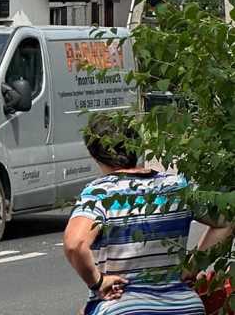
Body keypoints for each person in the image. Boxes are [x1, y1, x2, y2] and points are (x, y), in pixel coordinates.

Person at [63, 112, 231, 314]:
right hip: (185, 306)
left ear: (94, 154)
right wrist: (193, 266)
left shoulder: (100, 194)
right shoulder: (177, 187)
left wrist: (97, 282)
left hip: (123, 307)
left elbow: (75, 244)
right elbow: (226, 221)